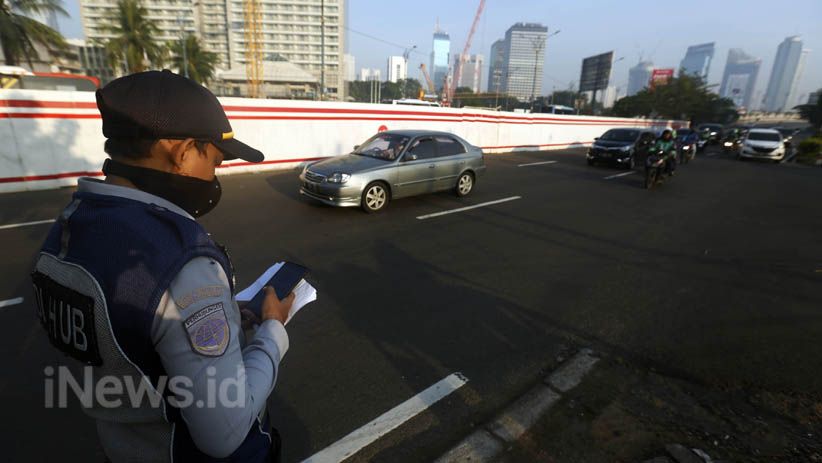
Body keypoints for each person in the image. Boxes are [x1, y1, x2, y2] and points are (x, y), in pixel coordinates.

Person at [31, 70, 295, 462]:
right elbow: (226, 433)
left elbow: (132, 339)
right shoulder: (180, 264)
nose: (214, 175)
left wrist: (223, 316)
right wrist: (272, 331)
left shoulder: (70, 226)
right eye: (214, 161)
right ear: (183, 151)